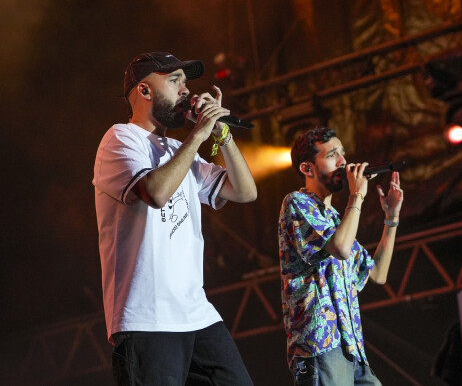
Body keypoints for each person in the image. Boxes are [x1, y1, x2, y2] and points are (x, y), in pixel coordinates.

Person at [93, 52, 257, 385]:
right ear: (144, 90)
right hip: (147, 318)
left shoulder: (176, 149)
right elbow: (155, 192)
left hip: (196, 313)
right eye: (174, 80)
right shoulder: (120, 139)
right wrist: (197, 134)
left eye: (186, 81)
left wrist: (221, 134)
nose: (186, 90)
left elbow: (244, 191)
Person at [278, 126, 404, 385]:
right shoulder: (297, 203)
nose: (343, 162)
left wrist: (391, 219)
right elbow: (340, 248)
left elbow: (377, 274)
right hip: (320, 346)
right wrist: (356, 195)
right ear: (307, 168)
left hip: (352, 347)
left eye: (343, 154)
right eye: (332, 154)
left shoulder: (338, 220)